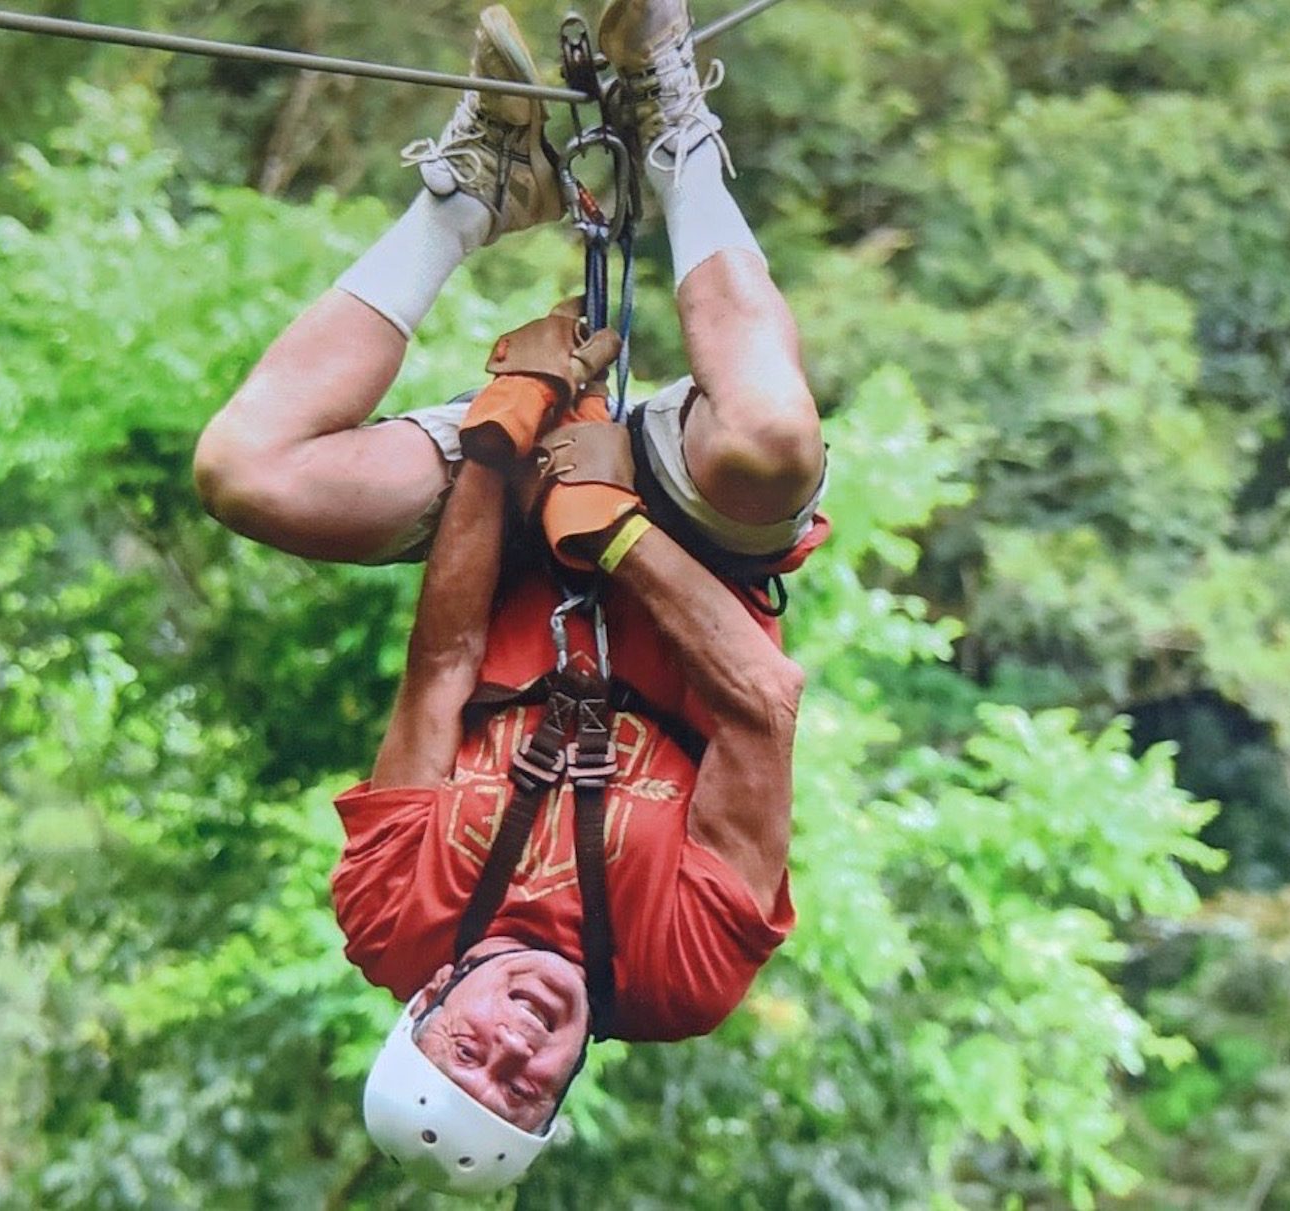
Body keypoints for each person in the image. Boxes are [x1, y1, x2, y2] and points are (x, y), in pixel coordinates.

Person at [192, 0, 826, 1193]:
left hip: (521, 516)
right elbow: (761, 701)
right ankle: (676, 134)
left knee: (245, 472)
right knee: (774, 443)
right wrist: (620, 527)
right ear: (563, 1089)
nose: (520, 1044)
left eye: (474, 1049)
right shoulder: (679, 976)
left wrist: (507, 426)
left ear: (431, 996)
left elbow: (443, 665)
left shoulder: (396, 916)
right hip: (687, 548)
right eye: (526, 1083)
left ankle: (475, 190)